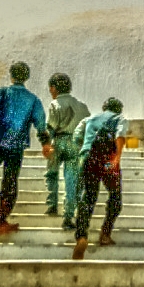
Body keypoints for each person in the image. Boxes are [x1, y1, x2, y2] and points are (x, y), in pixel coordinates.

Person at [0, 61, 52, 236]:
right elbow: (40, 125)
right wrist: (46, 144)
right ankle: (0, 220)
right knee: (9, 183)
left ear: (11, 75)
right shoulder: (33, 100)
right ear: (27, 78)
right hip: (15, 147)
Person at [72, 97, 128, 260]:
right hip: (108, 158)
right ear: (119, 109)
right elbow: (120, 135)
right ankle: (105, 234)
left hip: (89, 157)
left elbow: (76, 137)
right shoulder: (119, 118)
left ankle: (81, 236)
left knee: (88, 197)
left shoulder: (90, 119)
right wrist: (116, 157)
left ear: (104, 108)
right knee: (115, 196)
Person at [44, 72, 90, 231]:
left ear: (55, 88)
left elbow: (50, 127)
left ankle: (51, 204)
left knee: (52, 173)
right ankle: (68, 216)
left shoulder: (55, 104)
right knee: (72, 180)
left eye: (51, 88)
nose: (50, 91)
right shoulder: (82, 106)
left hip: (59, 141)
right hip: (76, 144)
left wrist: (47, 144)